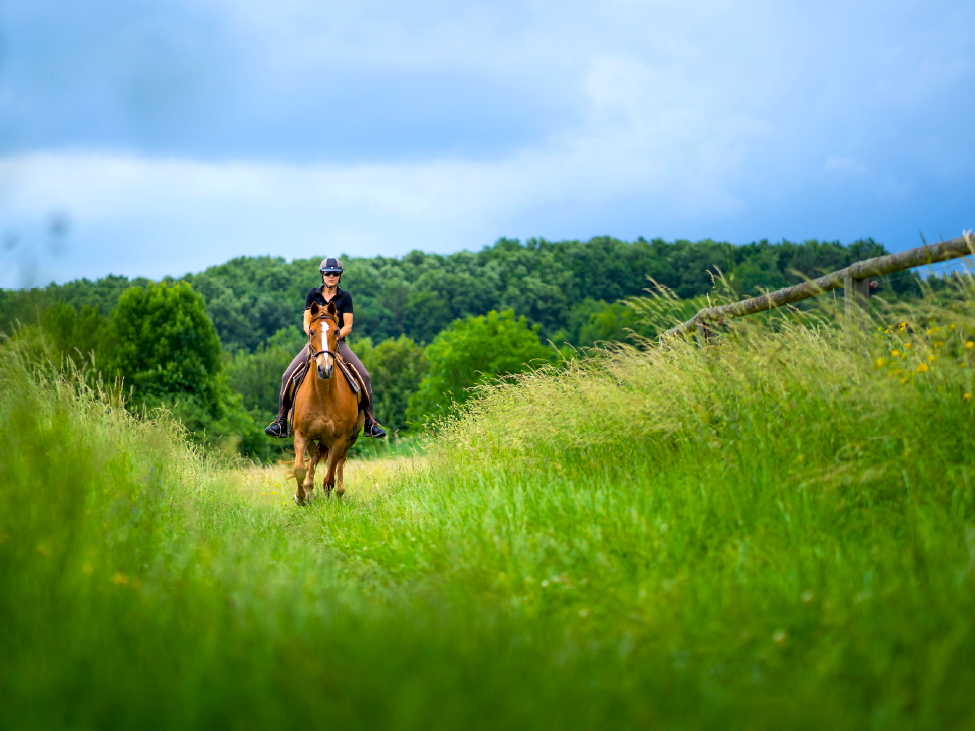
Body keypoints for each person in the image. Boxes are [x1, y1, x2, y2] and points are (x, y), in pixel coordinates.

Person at [264, 257, 387, 439]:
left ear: (340, 276)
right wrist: (316, 337)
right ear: (322, 275)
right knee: (286, 376)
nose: (331, 276)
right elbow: (306, 323)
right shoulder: (312, 295)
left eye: (335, 274)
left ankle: (370, 422)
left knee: (365, 376)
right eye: (328, 273)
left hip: (337, 344)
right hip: (314, 345)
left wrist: (333, 336)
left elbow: (348, 326)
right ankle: (281, 421)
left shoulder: (345, 297)